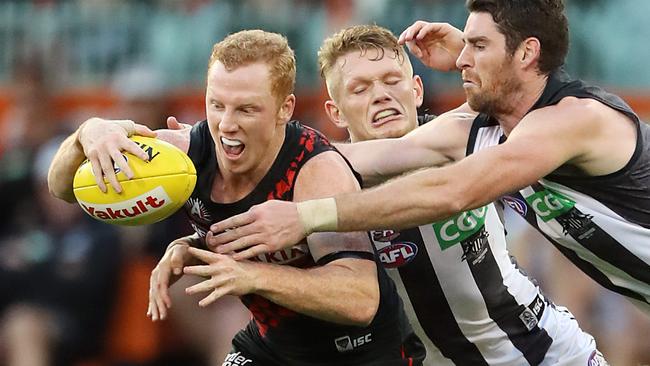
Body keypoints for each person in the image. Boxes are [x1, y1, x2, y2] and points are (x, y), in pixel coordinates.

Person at [208, 0, 650, 316]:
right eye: (361, 88)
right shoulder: (480, 128)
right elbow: (352, 156)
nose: (459, 60)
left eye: (477, 46)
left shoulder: (574, 120)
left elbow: (456, 189)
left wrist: (308, 215)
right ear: (336, 111)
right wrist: (193, 147)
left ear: (527, 52)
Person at [47, 30, 424, 365]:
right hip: (274, 346)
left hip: (363, 352)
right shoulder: (183, 157)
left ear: (284, 109)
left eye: (246, 109)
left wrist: (251, 275)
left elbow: (359, 298)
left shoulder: (315, 169)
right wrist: (89, 134)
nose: (226, 124)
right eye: (216, 105)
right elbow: (62, 187)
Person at [313, 23, 604, 365]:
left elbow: (552, 98)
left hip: (548, 354)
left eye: (392, 81)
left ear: (416, 90)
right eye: (360, 89)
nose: (380, 94)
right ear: (335, 112)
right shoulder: (325, 184)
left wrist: (470, 55)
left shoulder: (465, 135)